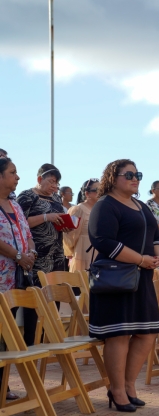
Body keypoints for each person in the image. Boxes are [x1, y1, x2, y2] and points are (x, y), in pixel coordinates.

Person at [88, 159, 159, 412]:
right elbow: (103, 240)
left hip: (141, 278)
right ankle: (117, 390)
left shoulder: (141, 206)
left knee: (147, 333)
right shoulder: (105, 205)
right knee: (118, 335)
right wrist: (141, 259)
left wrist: (158, 254)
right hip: (115, 280)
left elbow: (155, 234)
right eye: (129, 174)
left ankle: (130, 385)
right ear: (113, 177)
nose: (135, 178)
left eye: (138, 174)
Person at [17, 164, 69, 346]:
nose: (55, 186)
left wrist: (67, 224)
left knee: (54, 295)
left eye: (57, 182)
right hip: (37, 255)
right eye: (52, 181)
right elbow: (20, 224)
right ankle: (31, 342)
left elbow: (60, 218)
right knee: (34, 298)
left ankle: (50, 340)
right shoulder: (27, 196)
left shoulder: (56, 197)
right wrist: (47, 217)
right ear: (40, 179)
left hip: (56, 254)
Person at [0, 157, 37, 401]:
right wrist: (18, 255)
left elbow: (27, 233)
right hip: (2, 278)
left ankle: (3, 387)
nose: (17, 177)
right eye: (13, 172)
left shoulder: (15, 204)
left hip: (18, 279)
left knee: (7, 333)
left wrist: (31, 252)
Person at [63, 179, 99, 272]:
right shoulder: (77, 209)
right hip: (82, 256)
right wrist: (71, 255)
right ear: (87, 193)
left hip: (99, 258)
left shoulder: (102, 211)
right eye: (97, 190)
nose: (101, 193)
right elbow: (69, 236)